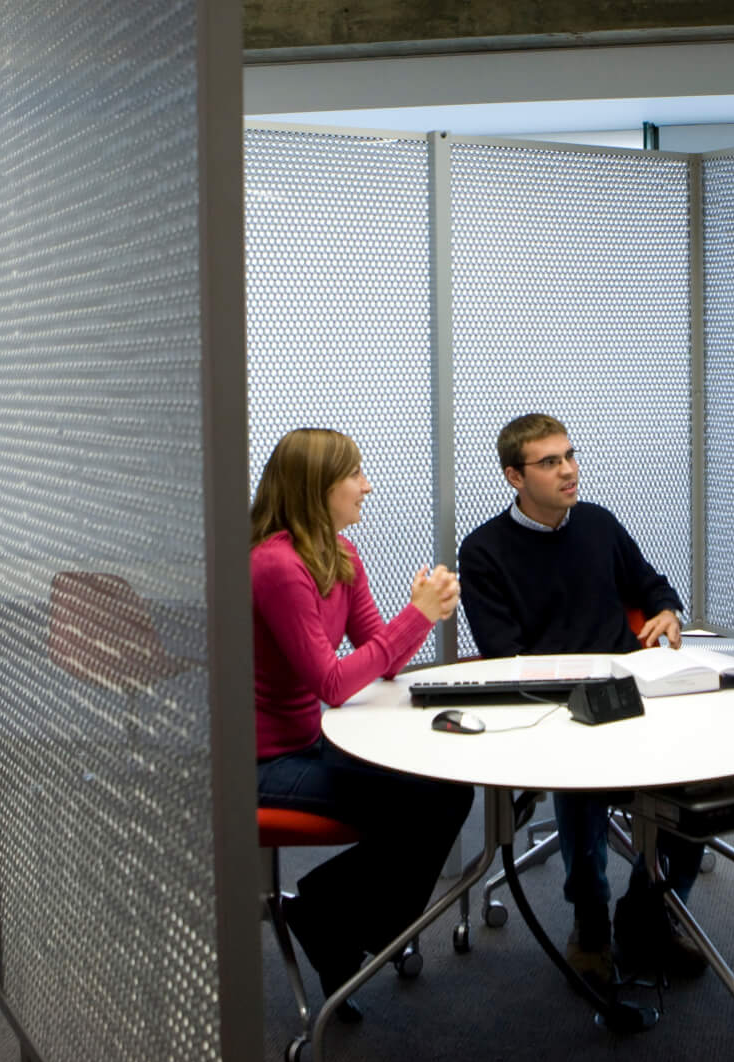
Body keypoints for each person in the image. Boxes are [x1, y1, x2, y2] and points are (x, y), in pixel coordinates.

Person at [457, 412, 704, 992]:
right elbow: (503, 656)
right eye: (550, 462)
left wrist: (668, 610)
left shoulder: (597, 523)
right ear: (514, 477)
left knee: (704, 782)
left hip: (633, 694)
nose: (569, 471)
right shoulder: (485, 550)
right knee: (581, 784)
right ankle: (590, 922)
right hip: (553, 709)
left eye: (570, 456)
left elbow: (652, 585)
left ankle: (649, 914)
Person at [251, 427, 473, 1019]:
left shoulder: (341, 556)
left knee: (448, 790)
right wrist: (417, 615)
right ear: (316, 488)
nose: (366, 486)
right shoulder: (275, 565)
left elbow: (382, 656)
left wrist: (419, 613)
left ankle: (325, 913)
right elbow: (332, 682)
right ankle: (331, 921)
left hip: (306, 743)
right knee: (418, 805)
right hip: (256, 763)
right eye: (354, 475)